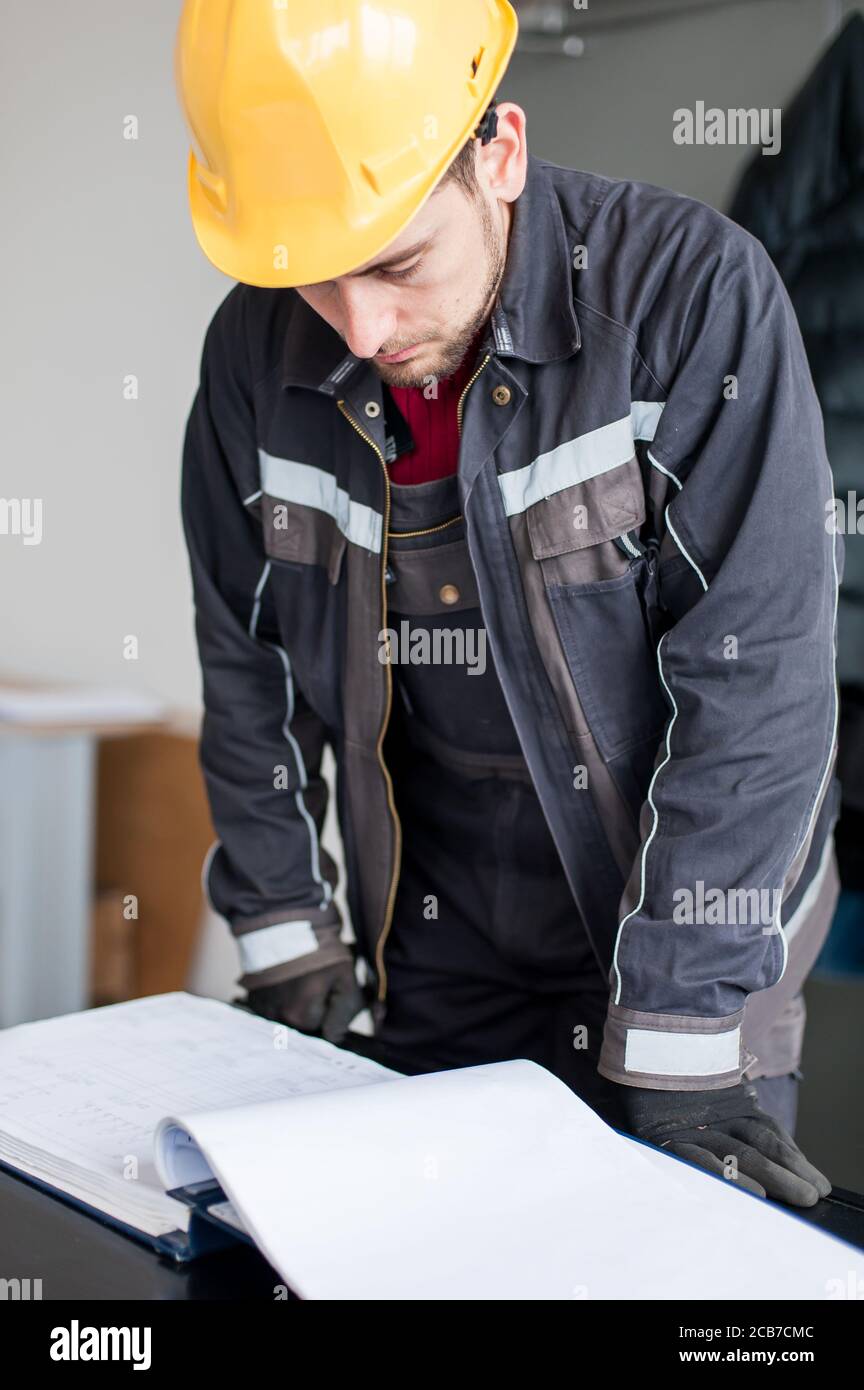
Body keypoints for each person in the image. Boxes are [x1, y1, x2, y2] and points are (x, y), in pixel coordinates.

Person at [175, 0, 839, 1207]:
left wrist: (682, 1033)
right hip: (444, 920)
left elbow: (762, 680)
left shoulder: (690, 301)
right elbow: (247, 664)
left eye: (394, 264)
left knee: (672, 1270)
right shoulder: (252, 357)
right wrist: (285, 930)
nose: (362, 329)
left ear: (502, 156)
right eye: (318, 282)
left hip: (695, 907)